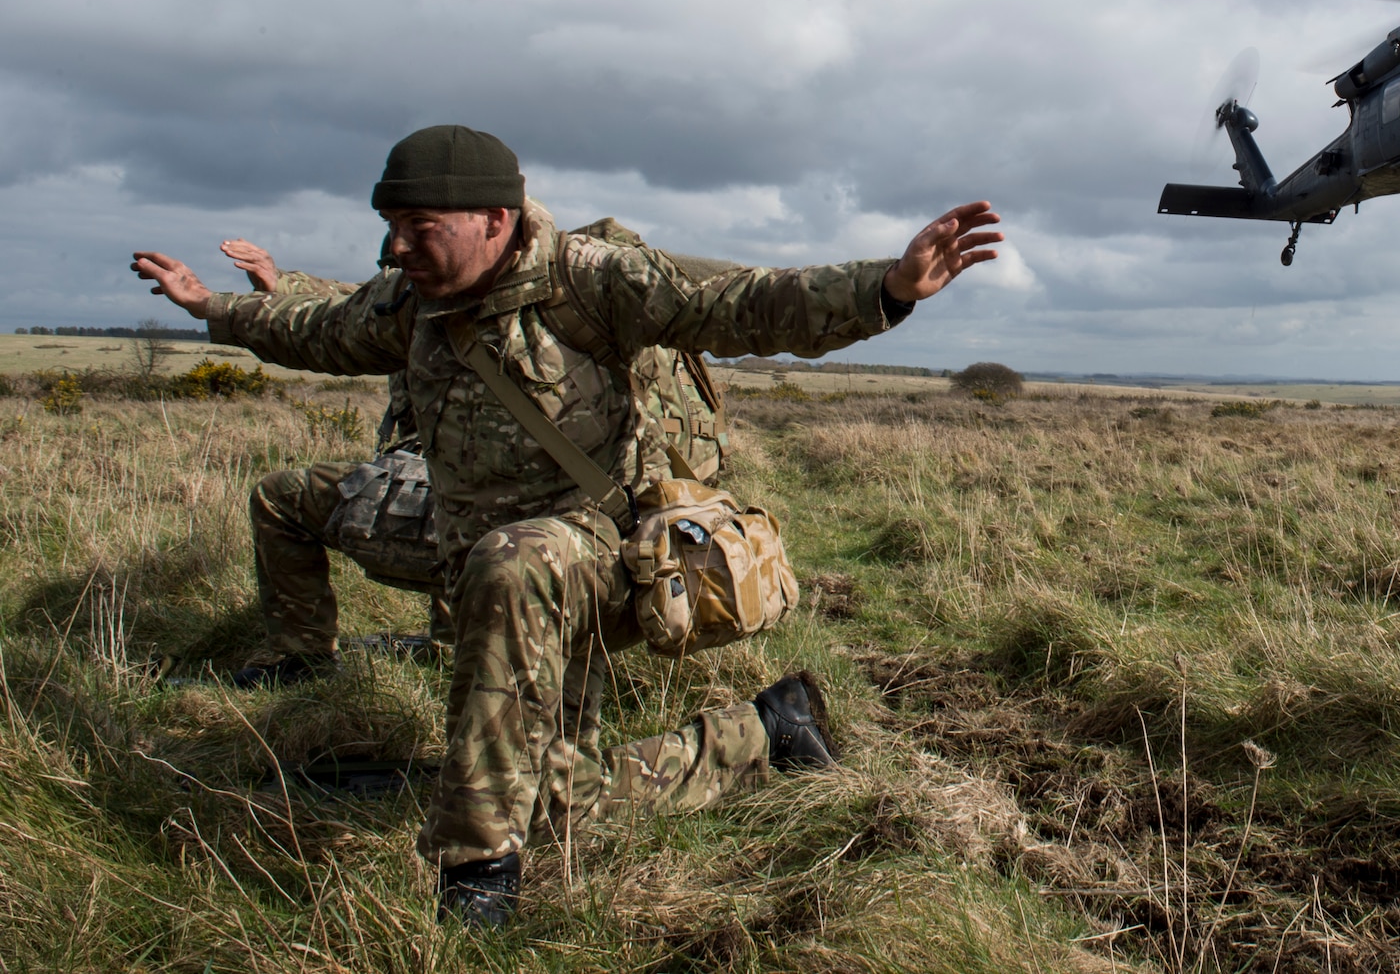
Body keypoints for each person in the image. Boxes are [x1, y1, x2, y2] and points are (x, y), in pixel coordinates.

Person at [133, 125, 1001, 928]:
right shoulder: (415, 302)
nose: (396, 247)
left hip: (598, 559)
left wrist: (884, 289)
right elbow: (316, 328)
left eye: (418, 225)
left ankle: (475, 872)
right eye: (390, 225)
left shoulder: (589, 279)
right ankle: (764, 731)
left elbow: (739, 302)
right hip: (475, 560)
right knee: (554, 800)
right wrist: (212, 308)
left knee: (514, 564)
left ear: (493, 219)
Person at [218, 229, 738, 688]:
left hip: (548, 544)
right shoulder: (615, 319)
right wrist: (281, 284)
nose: (406, 277)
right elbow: (361, 306)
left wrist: (276, 290)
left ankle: (301, 656)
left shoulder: (495, 317)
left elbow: (365, 312)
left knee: (286, 497)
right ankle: (462, 642)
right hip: (649, 535)